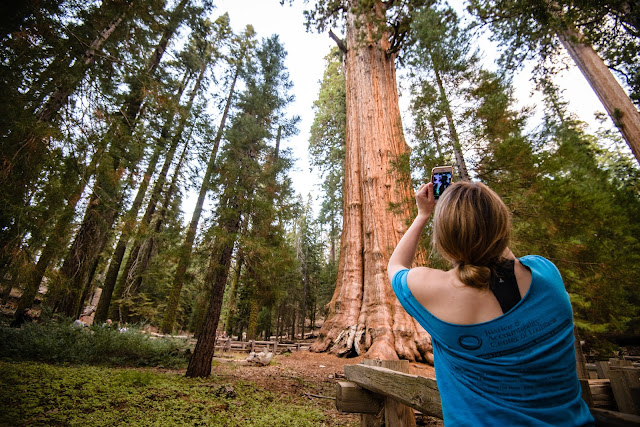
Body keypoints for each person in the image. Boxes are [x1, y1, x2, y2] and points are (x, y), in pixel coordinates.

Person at [388, 180, 594, 426]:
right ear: (502, 223)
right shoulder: (547, 274)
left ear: (445, 236)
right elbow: (504, 261)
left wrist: (423, 214)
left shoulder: (436, 293)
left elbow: (395, 266)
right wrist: (480, 217)